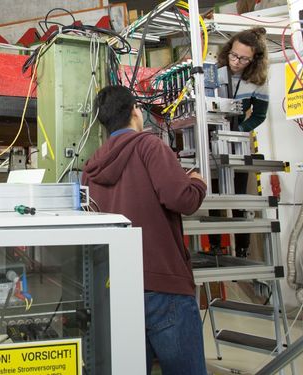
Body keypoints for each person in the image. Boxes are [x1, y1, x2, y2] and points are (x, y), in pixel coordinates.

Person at [81, 85, 207, 375]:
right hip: (164, 287)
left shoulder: (91, 167)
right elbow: (181, 199)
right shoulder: (149, 146)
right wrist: (197, 182)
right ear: (135, 110)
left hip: (117, 289)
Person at [210, 27, 269, 257]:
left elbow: (259, 115)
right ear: (228, 51)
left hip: (238, 140)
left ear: (254, 59)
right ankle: (215, 247)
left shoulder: (257, 81)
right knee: (213, 195)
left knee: (239, 195)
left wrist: (241, 130)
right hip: (213, 137)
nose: (236, 62)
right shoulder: (215, 72)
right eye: (234, 55)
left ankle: (242, 249)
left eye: (243, 58)